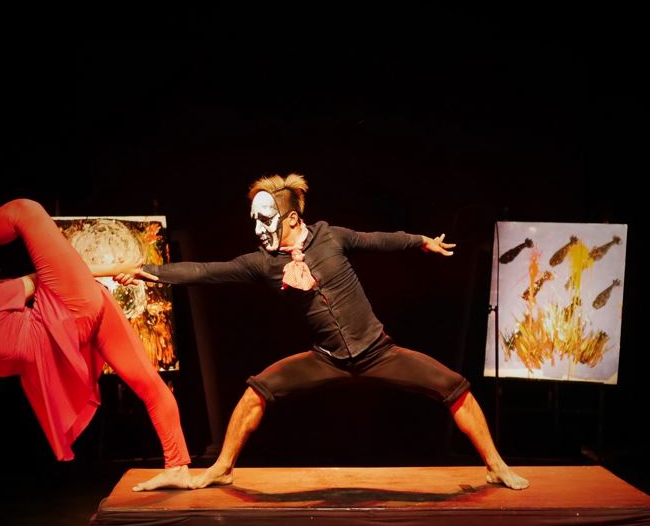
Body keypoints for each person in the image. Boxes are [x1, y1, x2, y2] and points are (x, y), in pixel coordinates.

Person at [118, 174, 528, 491]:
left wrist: (420, 241)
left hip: (377, 352)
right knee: (254, 393)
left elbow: (377, 240)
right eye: (254, 221)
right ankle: (222, 469)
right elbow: (206, 271)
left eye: (266, 220)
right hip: (326, 359)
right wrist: (148, 272)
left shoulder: (330, 237)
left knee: (455, 388)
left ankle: (496, 466)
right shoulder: (265, 263)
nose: (258, 229)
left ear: (292, 218)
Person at [0, 198, 190, 472]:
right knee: (147, 383)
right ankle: (178, 467)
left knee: (26, 211)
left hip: (71, 309)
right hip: (81, 324)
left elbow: (53, 275)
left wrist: (119, 269)